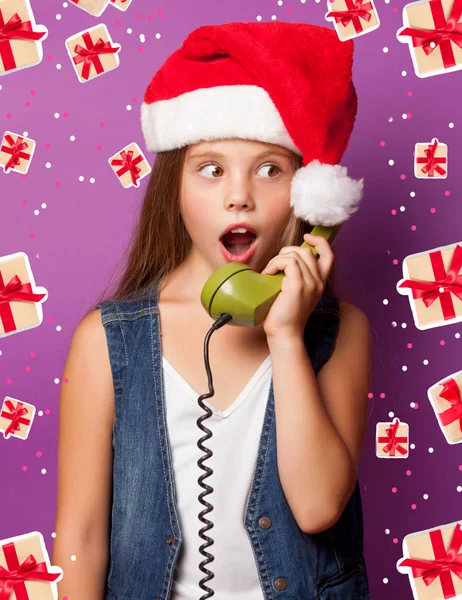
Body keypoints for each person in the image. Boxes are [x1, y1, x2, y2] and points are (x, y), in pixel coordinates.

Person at [52, 20, 372, 600]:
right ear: (173, 188)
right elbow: (82, 530)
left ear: (308, 196)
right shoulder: (107, 341)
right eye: (211, 168)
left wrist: (286, 338)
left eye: (270, 169)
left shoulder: (341, 332)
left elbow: (319, 506)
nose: (238, 195)